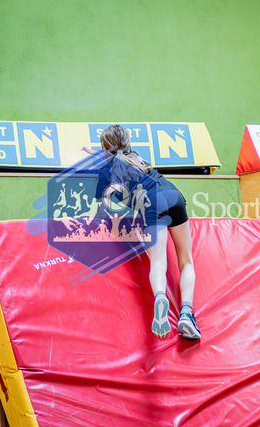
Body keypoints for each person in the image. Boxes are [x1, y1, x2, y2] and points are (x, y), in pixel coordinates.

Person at [95, 124, 201, 340]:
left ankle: (160, 297)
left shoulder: (105, 172)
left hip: (152, 204)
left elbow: (102, 211)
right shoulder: (137, 158)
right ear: (127, 142)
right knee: (186, 261)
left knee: (158, 262)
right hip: (174, 195)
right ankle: (186, 315)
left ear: (104, 148)